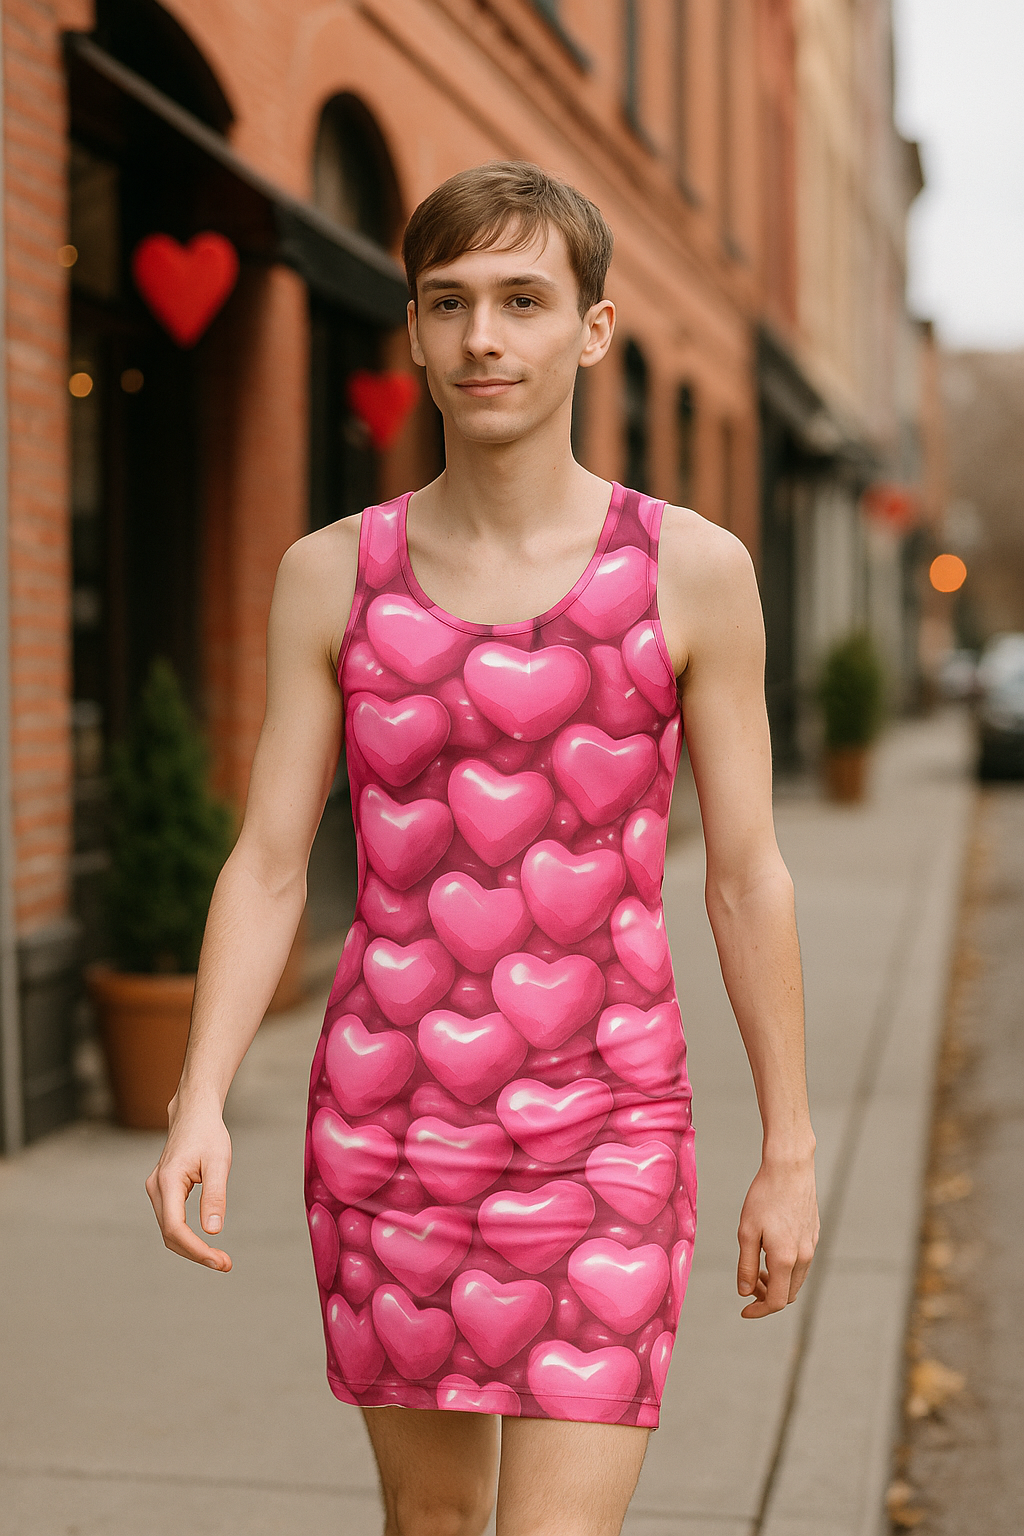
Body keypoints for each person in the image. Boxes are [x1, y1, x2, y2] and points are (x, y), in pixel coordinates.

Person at [147, 161, 818, 1536]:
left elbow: (746, 874)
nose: (482, 339)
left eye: (522, 300)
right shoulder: (332, 574)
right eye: (448, 303)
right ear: (411, 329)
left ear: (592, 328)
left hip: (611, 1129)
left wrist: (790, 1145)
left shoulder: (690, 569)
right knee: (434, 1527)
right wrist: (200, 1093)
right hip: (390, 1127)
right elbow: (272, 857)